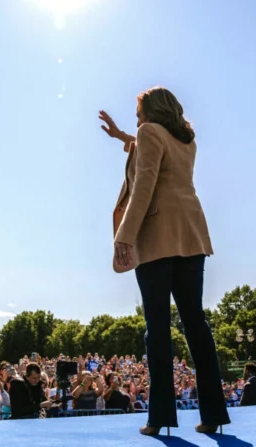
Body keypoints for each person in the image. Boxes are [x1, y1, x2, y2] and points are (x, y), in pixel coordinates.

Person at [100, 87, 230, 436]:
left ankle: (159, 418)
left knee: (157, 329)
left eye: (138, 109)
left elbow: (145, 181)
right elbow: (150, 149)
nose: (136, 117)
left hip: (157, 236)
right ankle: (214, 415)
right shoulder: (186, 139)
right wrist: (120, 137)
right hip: (191, 234)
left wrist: (124, 235)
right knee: (196, 325)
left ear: (151, 111)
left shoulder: (149, 132)